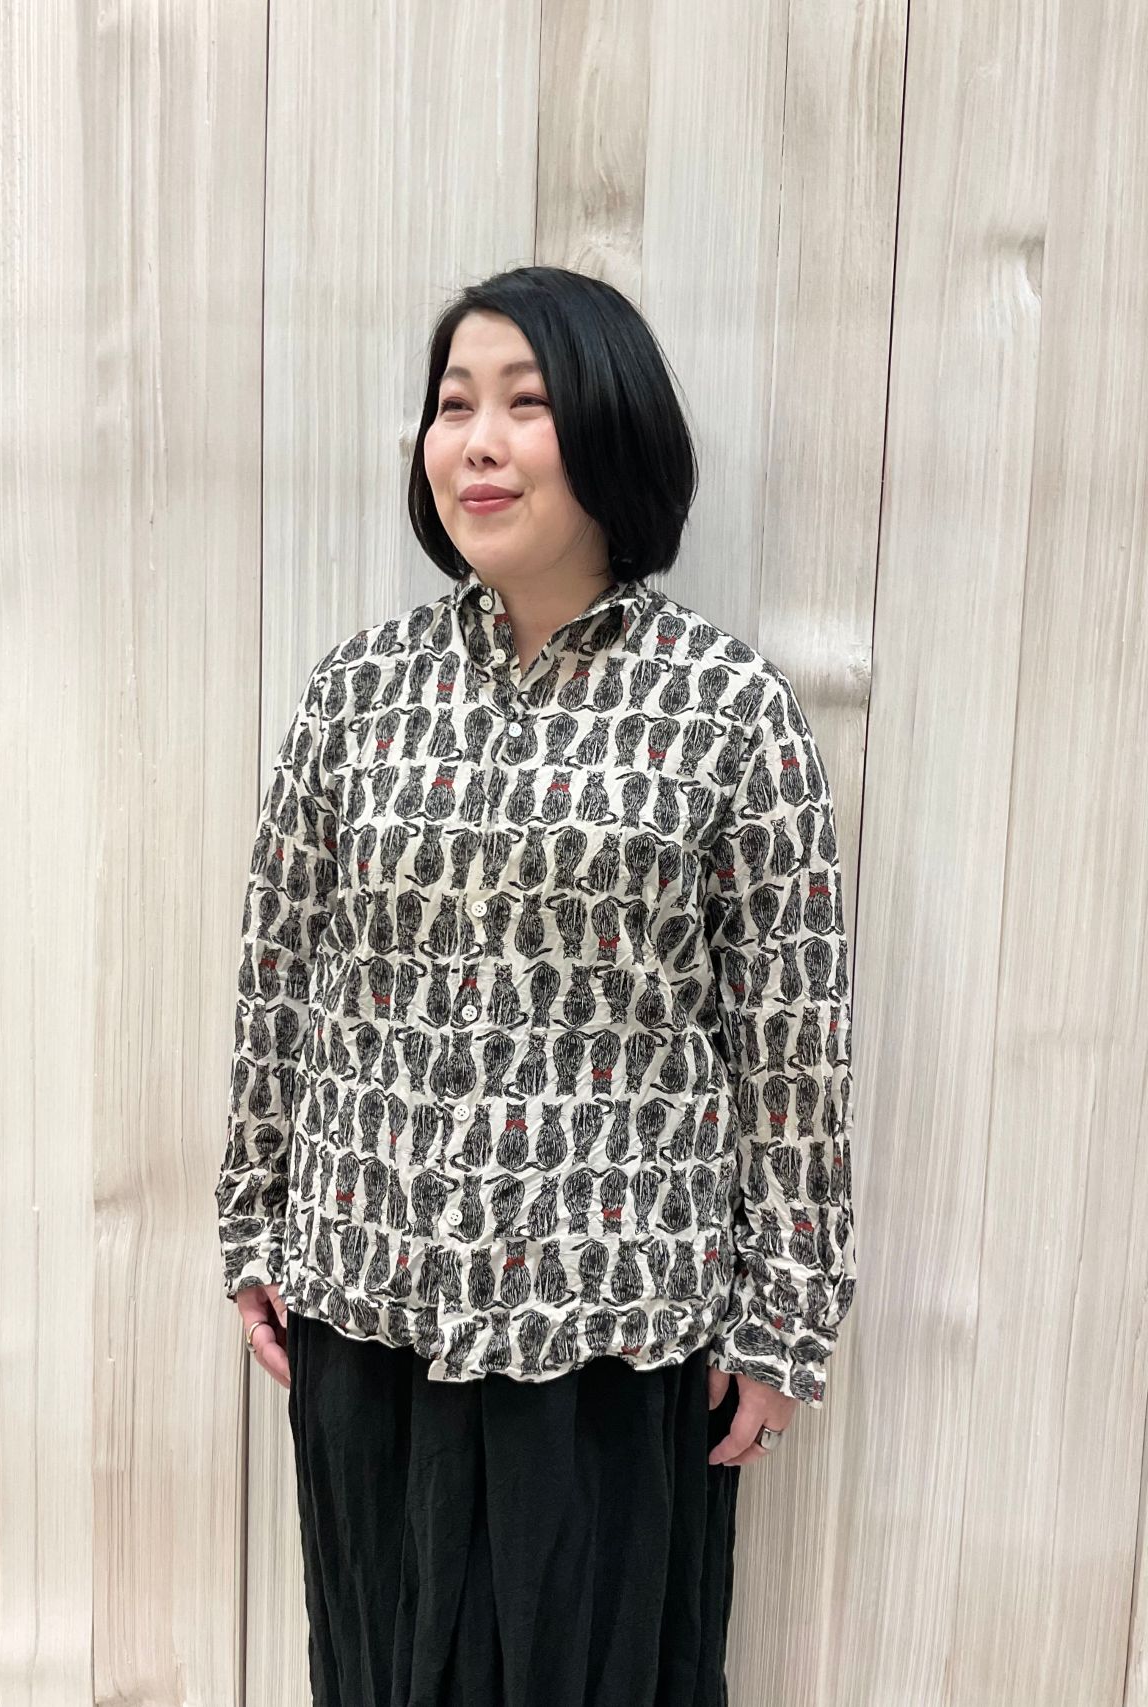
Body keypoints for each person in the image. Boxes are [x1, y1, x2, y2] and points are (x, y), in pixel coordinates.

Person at [215, 264, 857, 1707]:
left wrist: (786, 1316)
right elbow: (282, 974)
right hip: (370, 1303)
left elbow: (793, 1039)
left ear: (613, 426)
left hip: (611, 1327)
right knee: (379, 1672)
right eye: (454, 407)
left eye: (526, 402)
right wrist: (256, 1218)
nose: (478, 443)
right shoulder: (356, 696)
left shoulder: (727, 710)